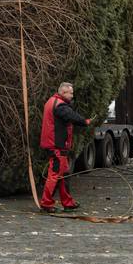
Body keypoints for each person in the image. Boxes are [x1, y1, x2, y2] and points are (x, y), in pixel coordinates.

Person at [39, 81, 91, 213]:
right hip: (57, 146)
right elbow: (72, 116)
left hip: (54, 145)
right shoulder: (60, 105)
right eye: (71, 93)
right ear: (63, 92)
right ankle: (46, 204)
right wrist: (85, 121)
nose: (72, 96)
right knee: (55, 175)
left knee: (64, 174)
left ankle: (68, 202)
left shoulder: (51, 101)